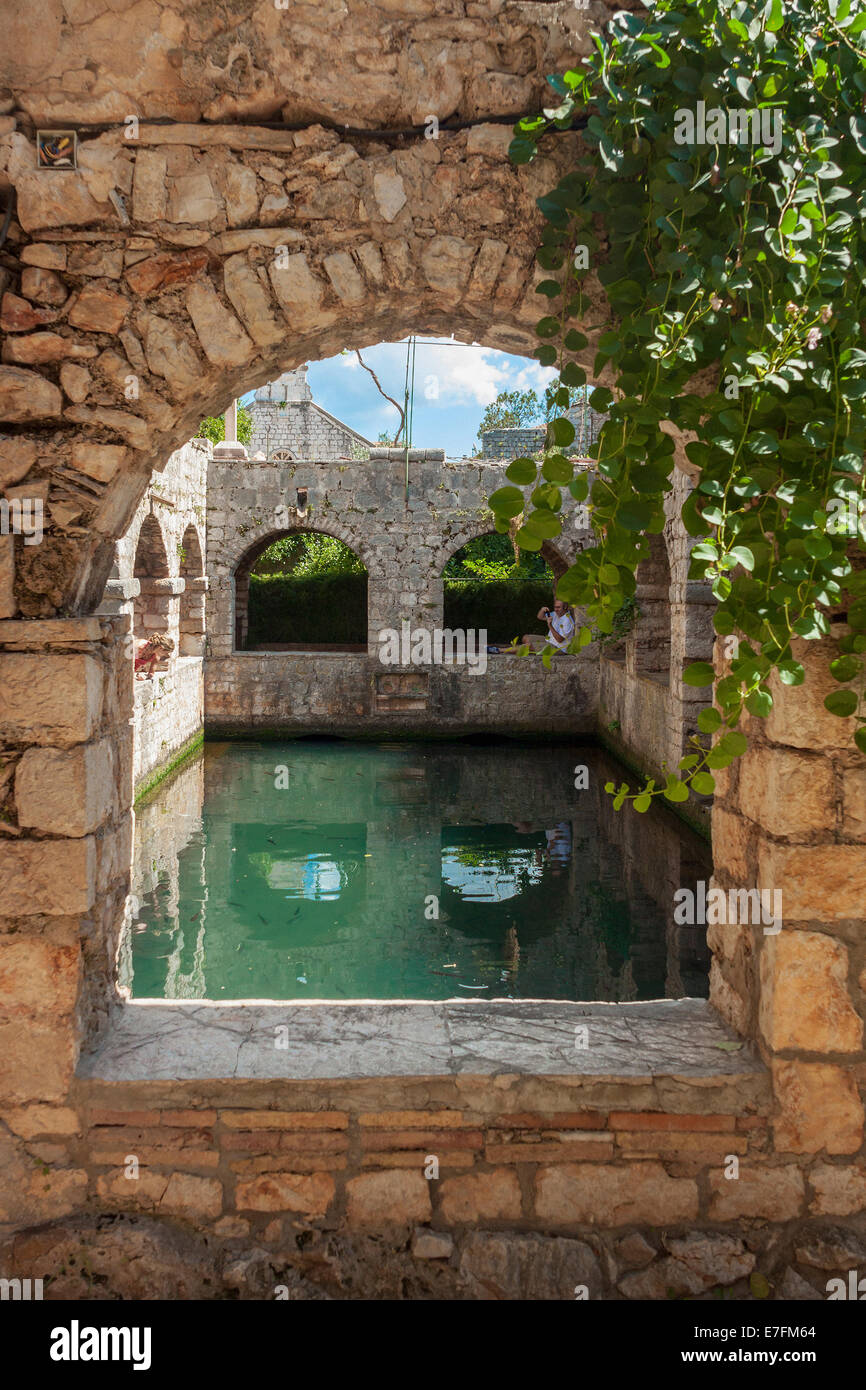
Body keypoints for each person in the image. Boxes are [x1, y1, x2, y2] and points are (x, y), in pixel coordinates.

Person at [500, 598, 576, 654]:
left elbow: (560, 640)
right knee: (526, 637)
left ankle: (499, 650)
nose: (556, 609)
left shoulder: (567, 620)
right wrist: (542, 610)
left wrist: (550, 626)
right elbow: (540, 617)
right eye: (555, 607)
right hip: (549, 641)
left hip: (559, 648)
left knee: (528, 646)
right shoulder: (556, 614)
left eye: (558, 607)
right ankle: (531, 649)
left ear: (565, 607)